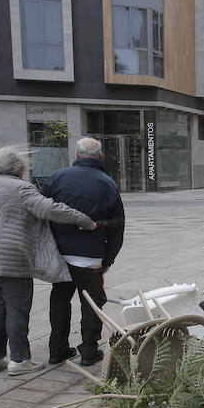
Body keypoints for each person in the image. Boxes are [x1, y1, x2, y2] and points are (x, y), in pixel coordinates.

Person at [0, 145, 96, 376]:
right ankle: (19, 360)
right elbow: (51, 209)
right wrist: (84, 220)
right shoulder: (22, 189)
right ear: (18, 168)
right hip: (13, 258)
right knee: (16, 308)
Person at [41, 138, 125, 367]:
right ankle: (89, 351)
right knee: (92, 303)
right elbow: (118, 226)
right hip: (91, 256)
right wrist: (108, 259)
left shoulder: (57, 178)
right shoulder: (107, 183)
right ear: (99, 157)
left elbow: (41, 209)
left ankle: (57, 350)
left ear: (76, 155)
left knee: (59, 300)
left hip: (60, 255)